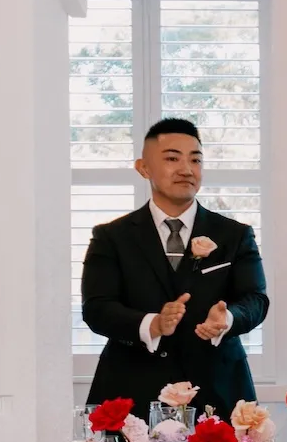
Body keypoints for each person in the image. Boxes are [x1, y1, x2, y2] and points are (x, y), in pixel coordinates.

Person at [81, 118, 268, 418]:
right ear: (143, 167)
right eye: (172, 158)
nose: (186, 169)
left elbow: (255, 300)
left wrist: (229, 318)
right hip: (132, 393)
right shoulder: (111, 237)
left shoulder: (235, 234)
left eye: (195, 160)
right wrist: (151, 324)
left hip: (218, 393)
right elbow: (97, 309)